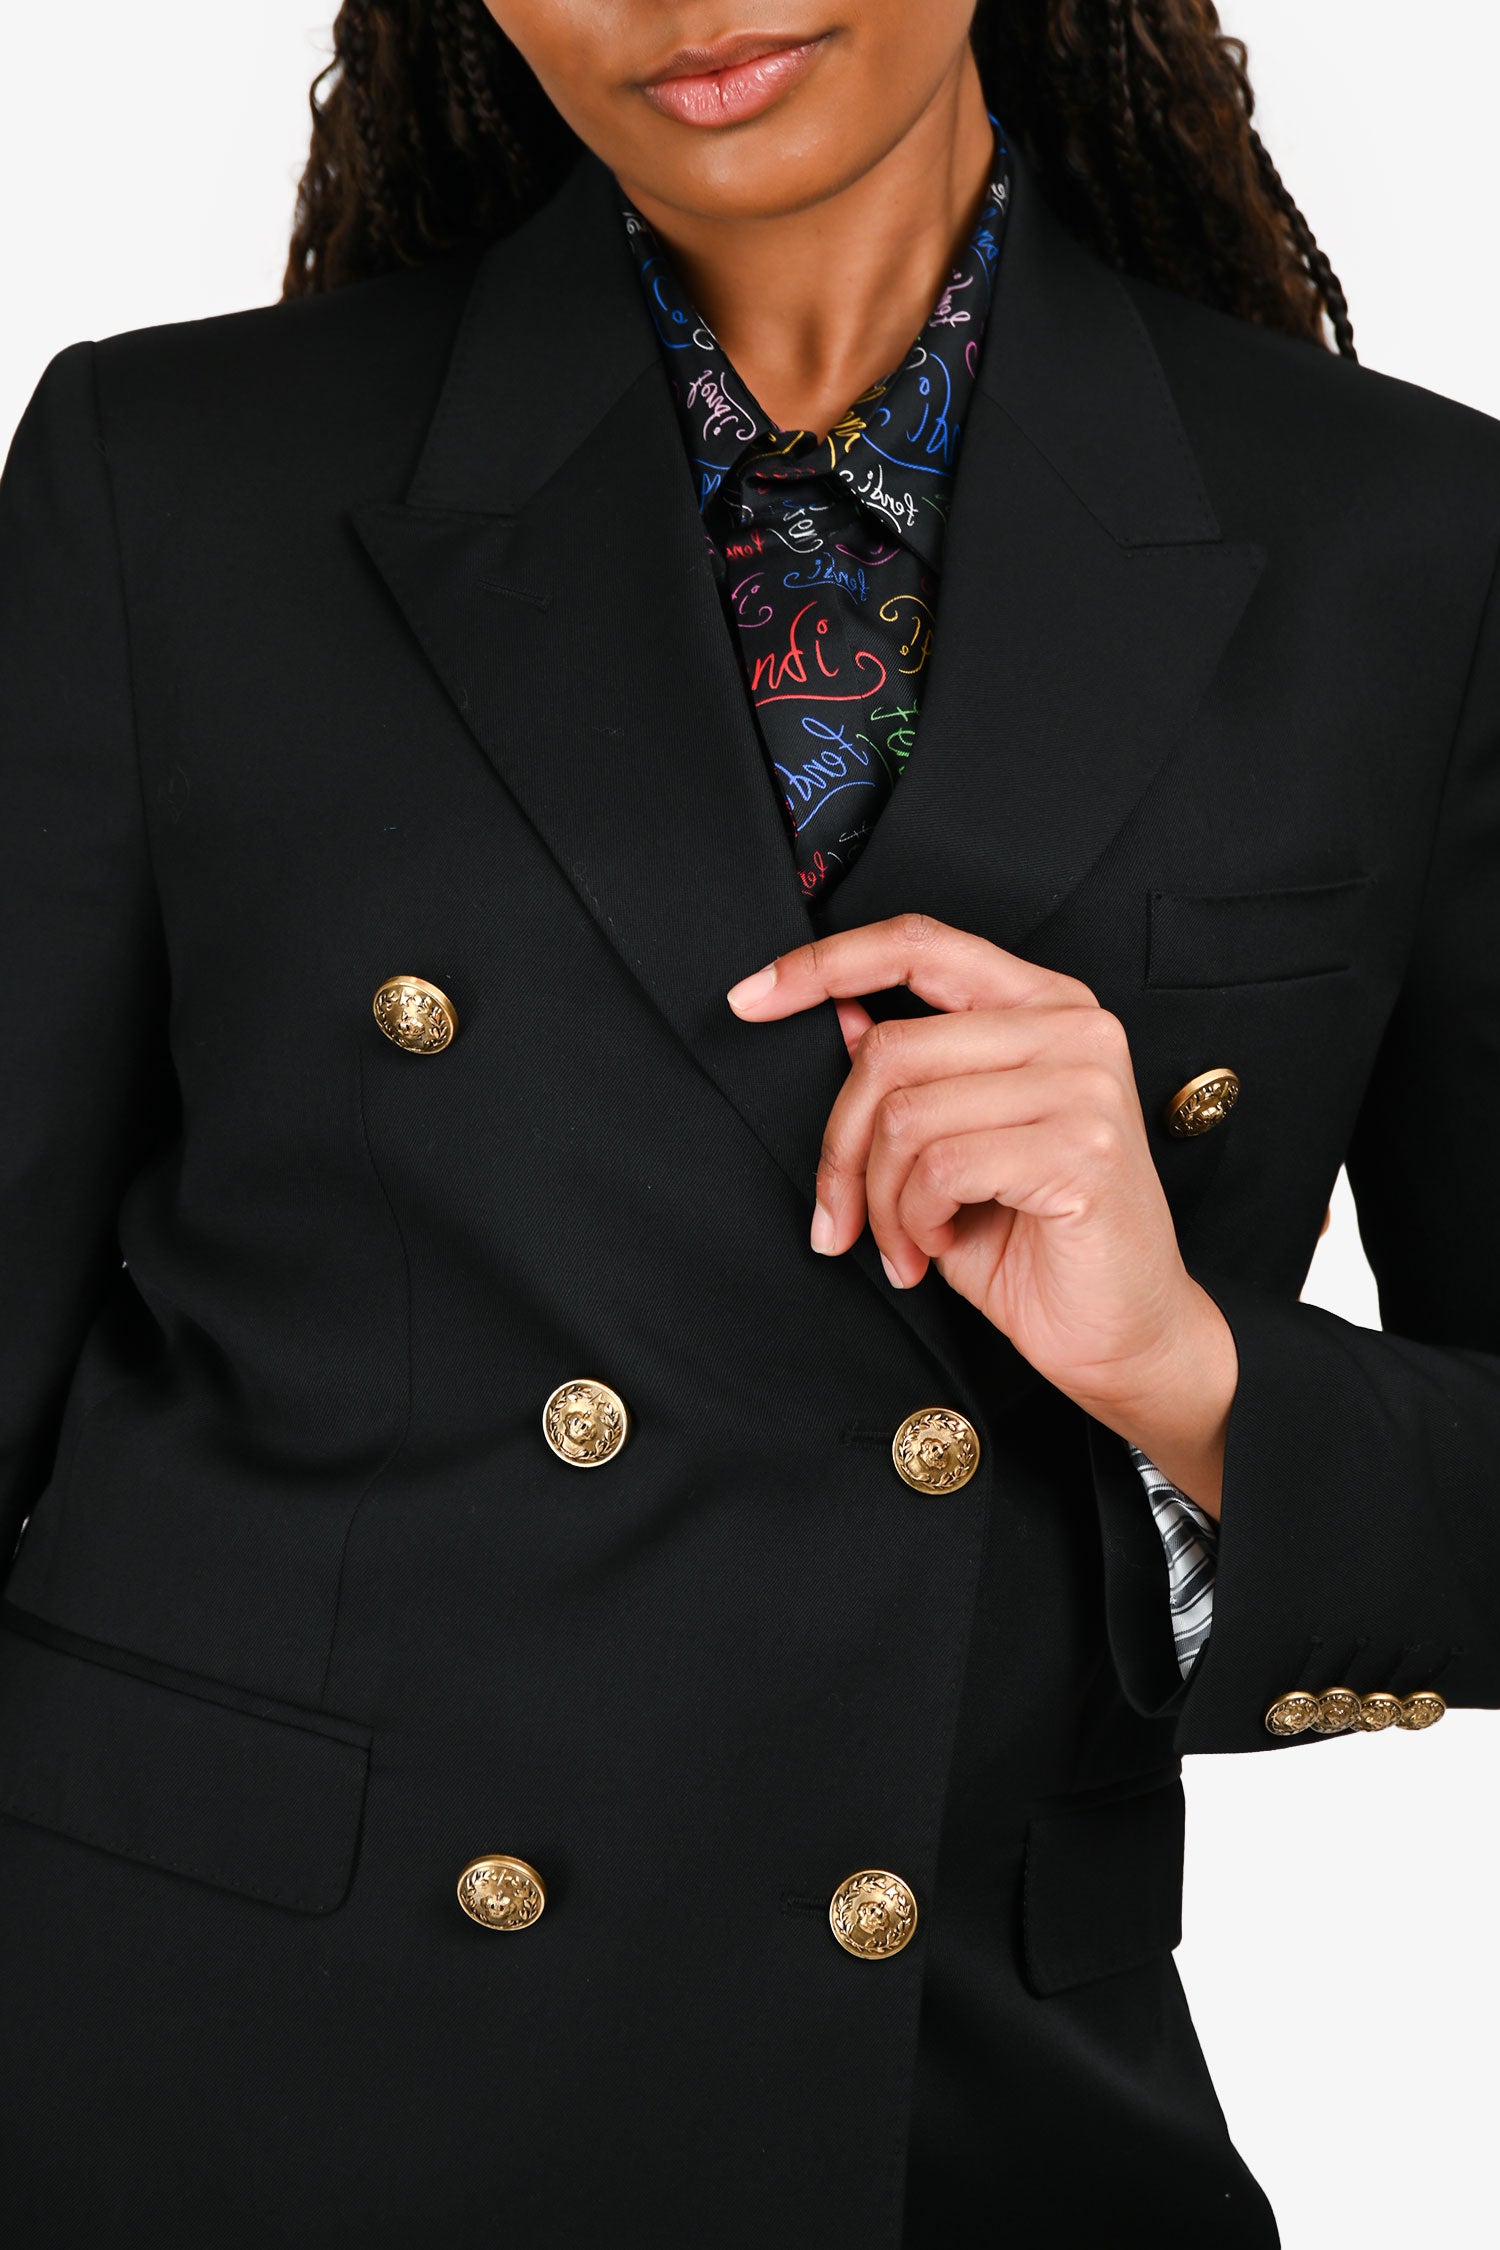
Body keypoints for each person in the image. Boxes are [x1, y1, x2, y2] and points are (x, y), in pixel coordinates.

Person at [1, 1, 1496, 2241]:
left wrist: (1188, 1368)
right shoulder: (172, 480)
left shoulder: (1407, 541)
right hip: (226, 2089)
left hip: (955, 2126)